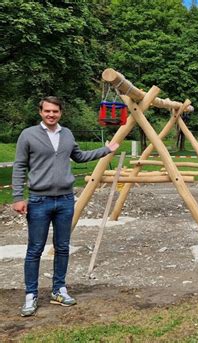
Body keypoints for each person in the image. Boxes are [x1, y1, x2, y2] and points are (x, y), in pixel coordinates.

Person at [12, 96, 119, 317]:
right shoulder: (28, 135)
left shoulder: (67, 134)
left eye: (55, 112)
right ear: (40, 112)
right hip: (39, 201)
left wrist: (106, 150)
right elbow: (20, 166)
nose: (51, 115)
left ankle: (59, 289)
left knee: (62, 247)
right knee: (35, 250)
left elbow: (79, 157)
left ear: (61, 113)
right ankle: (31, 295)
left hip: (65, 200)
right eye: (47, 111)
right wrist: (17, 197)